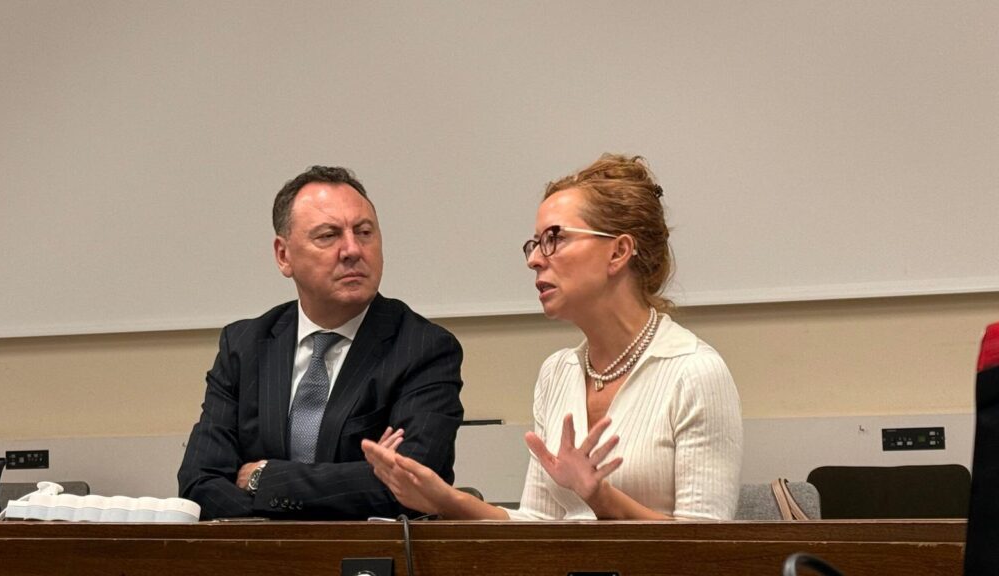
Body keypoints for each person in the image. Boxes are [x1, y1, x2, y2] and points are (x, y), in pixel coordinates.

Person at [363, 154, 742, 520]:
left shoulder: (694, 372)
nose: (534, 259)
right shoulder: (557, 372)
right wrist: (444, 499)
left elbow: (709, 546)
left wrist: (601, 498)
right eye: (535, 243)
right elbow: (539, 522)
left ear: (618, 252)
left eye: (554, 239)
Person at [178, 165, 464, 520]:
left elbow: (413, 484)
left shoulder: (423, 348)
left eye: (364, 232)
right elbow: (199, 483)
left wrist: (265, 478)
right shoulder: (244, 346)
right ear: (284, 255)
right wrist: (288, 536)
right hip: (259, 551)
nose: (352, 250)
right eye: (328, 236)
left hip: (373, 552)